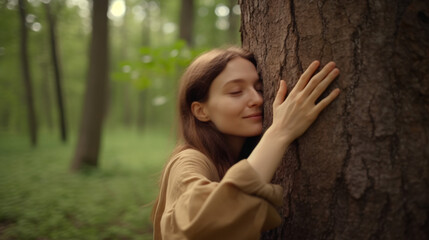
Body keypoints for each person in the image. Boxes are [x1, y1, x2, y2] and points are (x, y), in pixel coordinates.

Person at [151, 47, 340, 240]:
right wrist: (280, 132)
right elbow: (199, 224)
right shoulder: (188, 160)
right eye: (235, 92)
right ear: (201, 111)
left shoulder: (238, 154)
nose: (257, 99)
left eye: (259, 89)